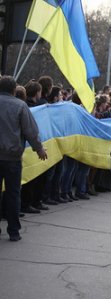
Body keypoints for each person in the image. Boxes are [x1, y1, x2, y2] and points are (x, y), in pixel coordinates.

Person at [0, 76, 47, 241]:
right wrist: (39, 149)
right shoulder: (20, 105)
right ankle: (13, 231)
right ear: (14, 90)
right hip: (12, 157)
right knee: (13, 194)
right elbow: (30, 131)